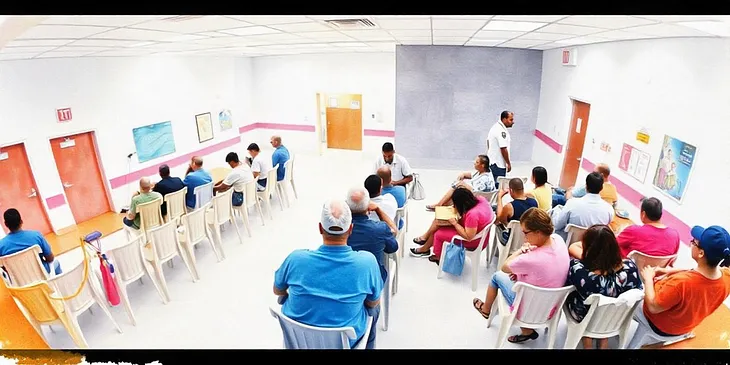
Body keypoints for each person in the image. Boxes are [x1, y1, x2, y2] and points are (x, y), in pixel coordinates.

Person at [273, 199, 383, 349]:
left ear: (320, 228)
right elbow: (372, 302)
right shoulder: (367, 263)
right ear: (351, 229)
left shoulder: (296, 259)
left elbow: (278, 290)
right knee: (375, 309)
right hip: (344, 342)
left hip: (299, 342)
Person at [472, 207, 570, 344]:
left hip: (528, 308)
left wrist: (520, 251)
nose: (524, 237)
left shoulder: (529, 259)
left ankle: (486, 309)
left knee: (496, 276)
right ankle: (526, 330)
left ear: (538, 232)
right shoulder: (558, 240)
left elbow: (505, 267)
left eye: (525, 233)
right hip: (551, 307)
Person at [634, 225, 730, 342]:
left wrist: (648, 279)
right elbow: (699, 274)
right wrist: (669, 270)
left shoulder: (682, 283)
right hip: (684, 327)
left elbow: (653, 307)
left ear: (701, 253)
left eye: (694, 242)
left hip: (660, 325)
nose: (691, 244)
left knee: (631, 296)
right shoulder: (726, 277)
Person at [565, 225, 643, 349]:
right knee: (609, 299)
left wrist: (589, 257)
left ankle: (587, 339)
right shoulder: (631, 268)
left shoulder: (580, 271)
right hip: (614, 318)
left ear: (588, 249)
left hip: (585, 318)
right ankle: (603, 339)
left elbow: (573, 247)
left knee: (576, 294)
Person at [410, 187, 494, 264]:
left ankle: (438, 257)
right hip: (480, 233)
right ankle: (425, 244)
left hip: (475, 241)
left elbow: (469, 237)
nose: (454, 206)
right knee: (439, 222)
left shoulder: (472, 215)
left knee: (438, 234)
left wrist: (455, 223)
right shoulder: (481, 199)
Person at [345, 187, 398, 283]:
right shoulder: (380, 229)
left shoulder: (341, 230)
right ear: (368, 206)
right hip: (372, 280)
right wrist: (379, 211)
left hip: (346, 277)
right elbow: (392, 247)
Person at [551, 172, 614, 242]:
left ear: (586, 186)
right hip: (592, 246)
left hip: (568, 243)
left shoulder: (572, 203)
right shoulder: (609, 210)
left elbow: (557, 225)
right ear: (601, 188)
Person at [0, 208, 62, 276]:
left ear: (6, 224)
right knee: (56, 263)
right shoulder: (36, 236)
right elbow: (50, 258)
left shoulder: (1, 245)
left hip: (19, 281)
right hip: (41, 274)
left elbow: (4, 269)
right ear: (21, 221)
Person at [426, 155, 495, 211]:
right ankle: (441, 205)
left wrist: (463, 184)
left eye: (477, 162)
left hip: (480, 198)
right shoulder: (483, 171)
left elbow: (476, 192)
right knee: (458, 187)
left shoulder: (485, 179)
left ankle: (440, 205)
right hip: (477, 195)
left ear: (482, 165)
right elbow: (471, 175)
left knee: (458, 189)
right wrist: (463, 175)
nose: (474, 163)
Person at [494, 178, 538, 245]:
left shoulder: (509, 207)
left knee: (497, 223)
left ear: (511, 190)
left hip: (512, 240)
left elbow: (500, 218)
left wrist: (499, 197)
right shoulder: (534, 202)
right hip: (529, 237)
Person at [553, 163, 618, 208]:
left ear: (601, 175)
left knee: (555, 196)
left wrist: (569, 192)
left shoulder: (593, 184)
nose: (592, 173)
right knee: (562, 190)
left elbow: (570, 197)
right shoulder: (613, 188)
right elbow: (614, 203)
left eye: (594, 172)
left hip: (575, 203)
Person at [486, 110, 514, 188]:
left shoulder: (495, 127)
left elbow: (488, 142)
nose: (513, 122)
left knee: (493, 186)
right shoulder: (501, 131)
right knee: (498, 188)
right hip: (498, 164)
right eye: (511, 120)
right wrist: (508, 163)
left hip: (493, 162)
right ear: (504, 119)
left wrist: (491, 154)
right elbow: (503, 148)